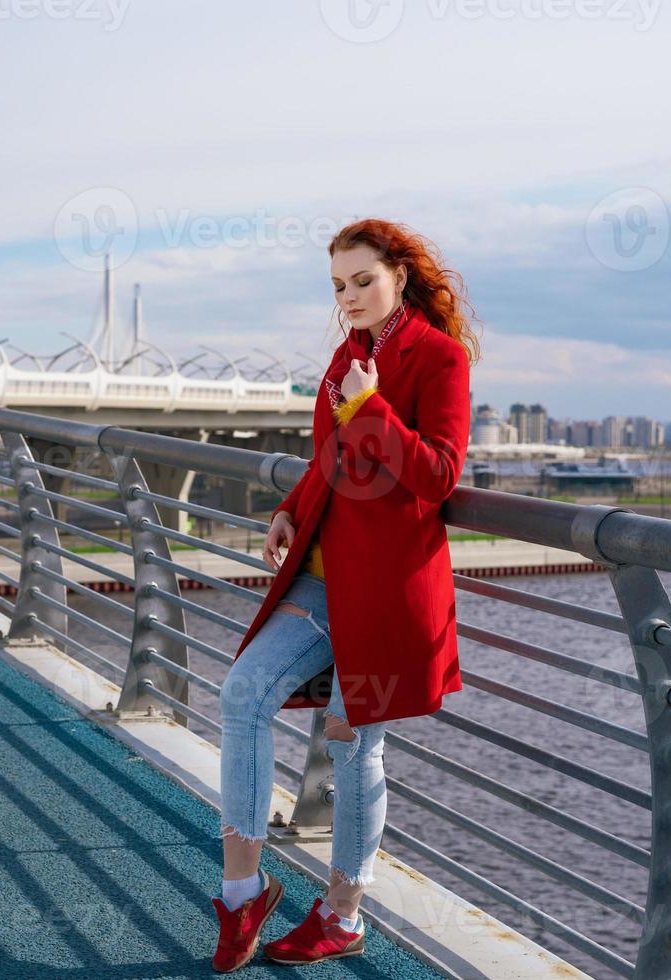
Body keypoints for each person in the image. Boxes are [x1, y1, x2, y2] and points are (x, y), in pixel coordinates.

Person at [209, 218, 479, 971]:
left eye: (363, 280)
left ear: (399, 274)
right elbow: (326, 456)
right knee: (242, 694)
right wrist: (290, 505)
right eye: (338, 285)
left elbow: (437, 475)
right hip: (321, 582)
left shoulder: (439, 357)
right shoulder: (348, 354)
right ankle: (240, 893)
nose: (350, 297)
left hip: (389, 595)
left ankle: (342, 913)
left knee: (350, 747)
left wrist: (370, 410)